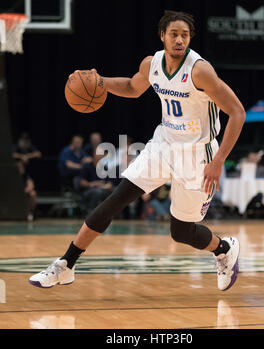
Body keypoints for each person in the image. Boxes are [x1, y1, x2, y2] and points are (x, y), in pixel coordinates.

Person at [29, 10, 245, 291]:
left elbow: (237, 112)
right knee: (115, 200)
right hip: (163, 144)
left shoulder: (199, 70)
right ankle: (65, 265)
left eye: (185, 35)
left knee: (182, 233)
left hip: (198, 156)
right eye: (174, 34)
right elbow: (133, 87)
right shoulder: (152, 64)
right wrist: (100, 82)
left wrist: (218, 161)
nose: (179, 40)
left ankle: (224, 248)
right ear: (162, 36)